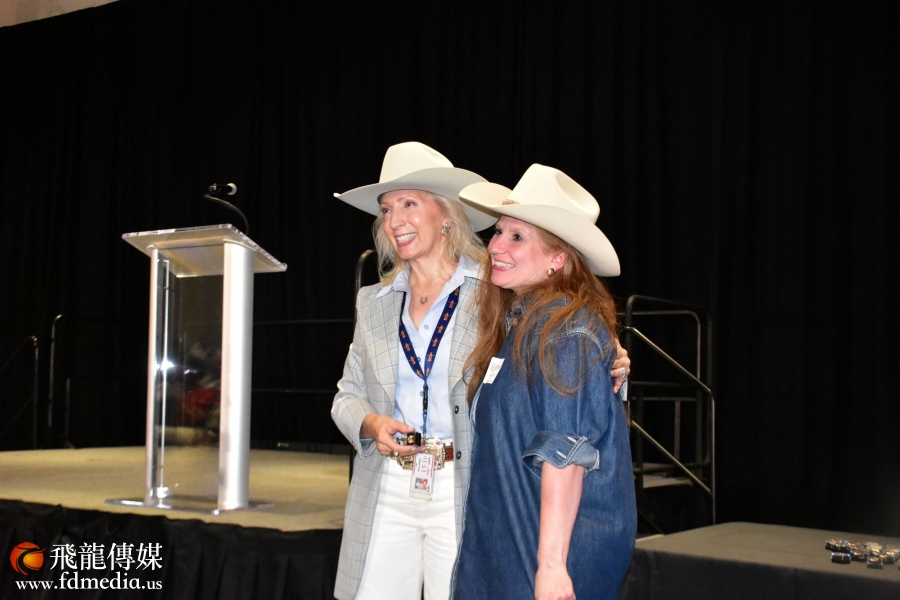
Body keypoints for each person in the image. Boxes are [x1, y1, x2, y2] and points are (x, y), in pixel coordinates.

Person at [331, 144, 632, 600]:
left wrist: (612, 359)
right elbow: (346, 393)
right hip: (389, 478)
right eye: (387, 209)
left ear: (447, 215)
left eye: (409, 203)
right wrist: (370, 422)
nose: (394, 221)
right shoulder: (373, 302)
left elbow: (564, 353)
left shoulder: (495, 291)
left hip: (464, 482)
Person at [451, 164, 637, 600]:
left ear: (558, 259)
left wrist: (552, 567)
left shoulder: (567, 331)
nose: (496, 245)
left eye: (518, 236)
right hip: (512, 539)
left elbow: (566, 454)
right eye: (499, 231)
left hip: (551, 552)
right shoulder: (522, 323)